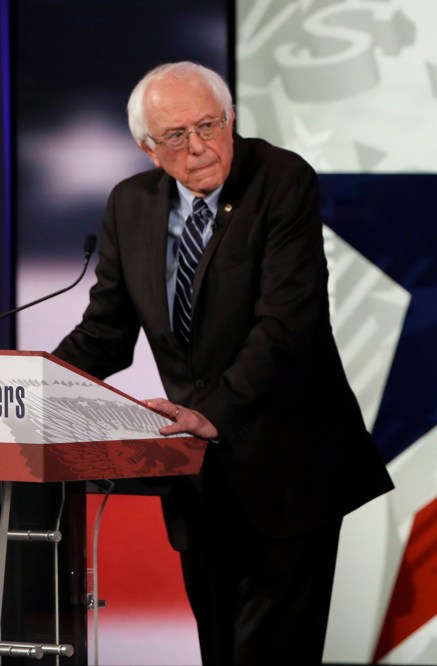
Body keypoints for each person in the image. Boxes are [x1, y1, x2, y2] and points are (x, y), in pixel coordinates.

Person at [53, 61, 394, 665]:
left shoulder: (280, 180)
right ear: (148, 149)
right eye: (176, 136)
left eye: (208, 125)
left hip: (291, 468)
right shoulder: (130, 205)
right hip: (200, 481)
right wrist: (36, 388)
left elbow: (287, 325)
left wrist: (208, 414)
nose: (200, 146)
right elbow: (105, 333)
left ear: (231, 118)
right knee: (221, 652)